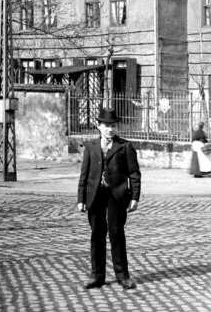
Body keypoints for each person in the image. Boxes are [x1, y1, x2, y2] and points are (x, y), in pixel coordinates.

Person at [77, 108, 141, 290]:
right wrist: (80, 199)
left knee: (116, 233)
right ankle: (97, 276)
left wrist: (135, 197)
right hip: (95, 195)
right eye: (106, 126)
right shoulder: (91, 147)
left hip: (117, 197)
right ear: (98, 126)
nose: (110, 129)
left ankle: (123, 276)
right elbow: (84, 175)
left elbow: (134, 173)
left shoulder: (125, 147)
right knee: (97, 234)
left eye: (113, 126)